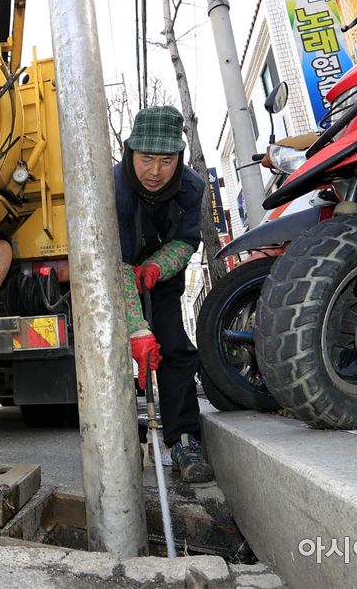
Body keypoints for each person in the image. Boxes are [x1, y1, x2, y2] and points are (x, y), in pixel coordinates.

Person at [114, 105, 215, 483]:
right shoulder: (115, 187)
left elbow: (188, 241)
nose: (154, 171)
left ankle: (184, 439)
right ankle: (116, 436)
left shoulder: (191, 187)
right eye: (146, 159)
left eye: (166, 160)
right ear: (131, 153)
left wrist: (158, 265)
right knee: (112, 350)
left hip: (163, 273)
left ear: (179, 157)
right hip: (115, 271)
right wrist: (137, 328)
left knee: (173, 345)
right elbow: (116, 262)